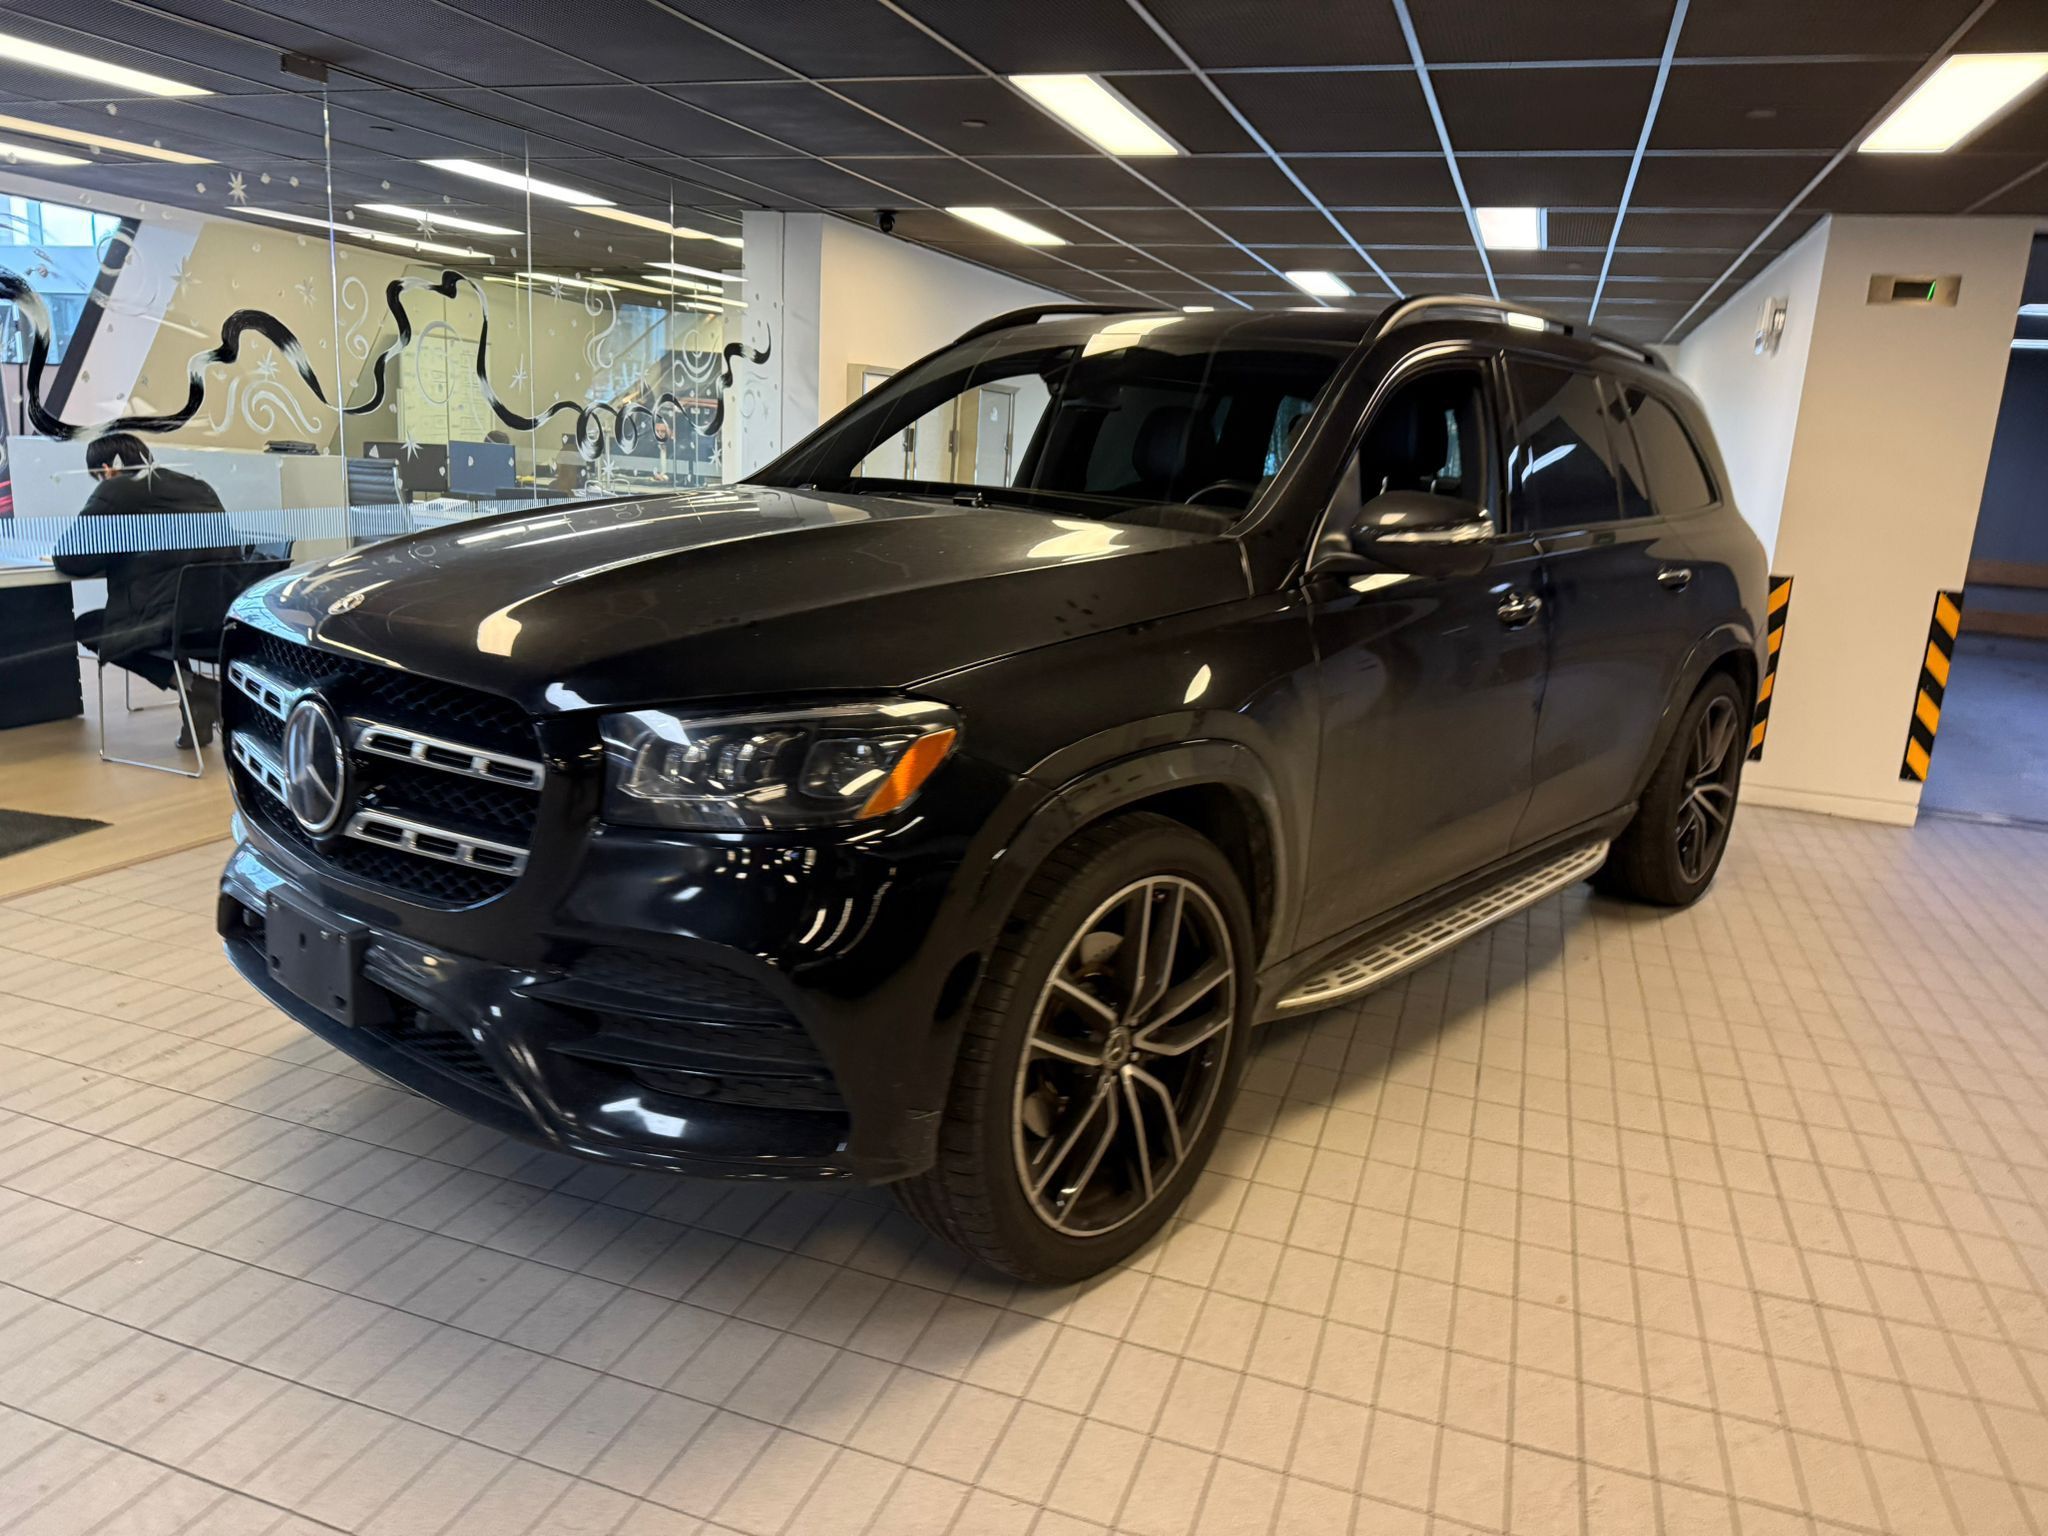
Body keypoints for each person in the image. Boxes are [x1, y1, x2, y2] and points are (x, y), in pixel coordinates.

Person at [54, 433, 238, 748]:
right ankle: (194, 702)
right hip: (214, 618)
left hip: (165, 619)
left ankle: (197, 688)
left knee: (90, 626)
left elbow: (70, 558)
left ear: (106, 469)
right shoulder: (197, 486)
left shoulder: (117, 488)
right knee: (166, 615)